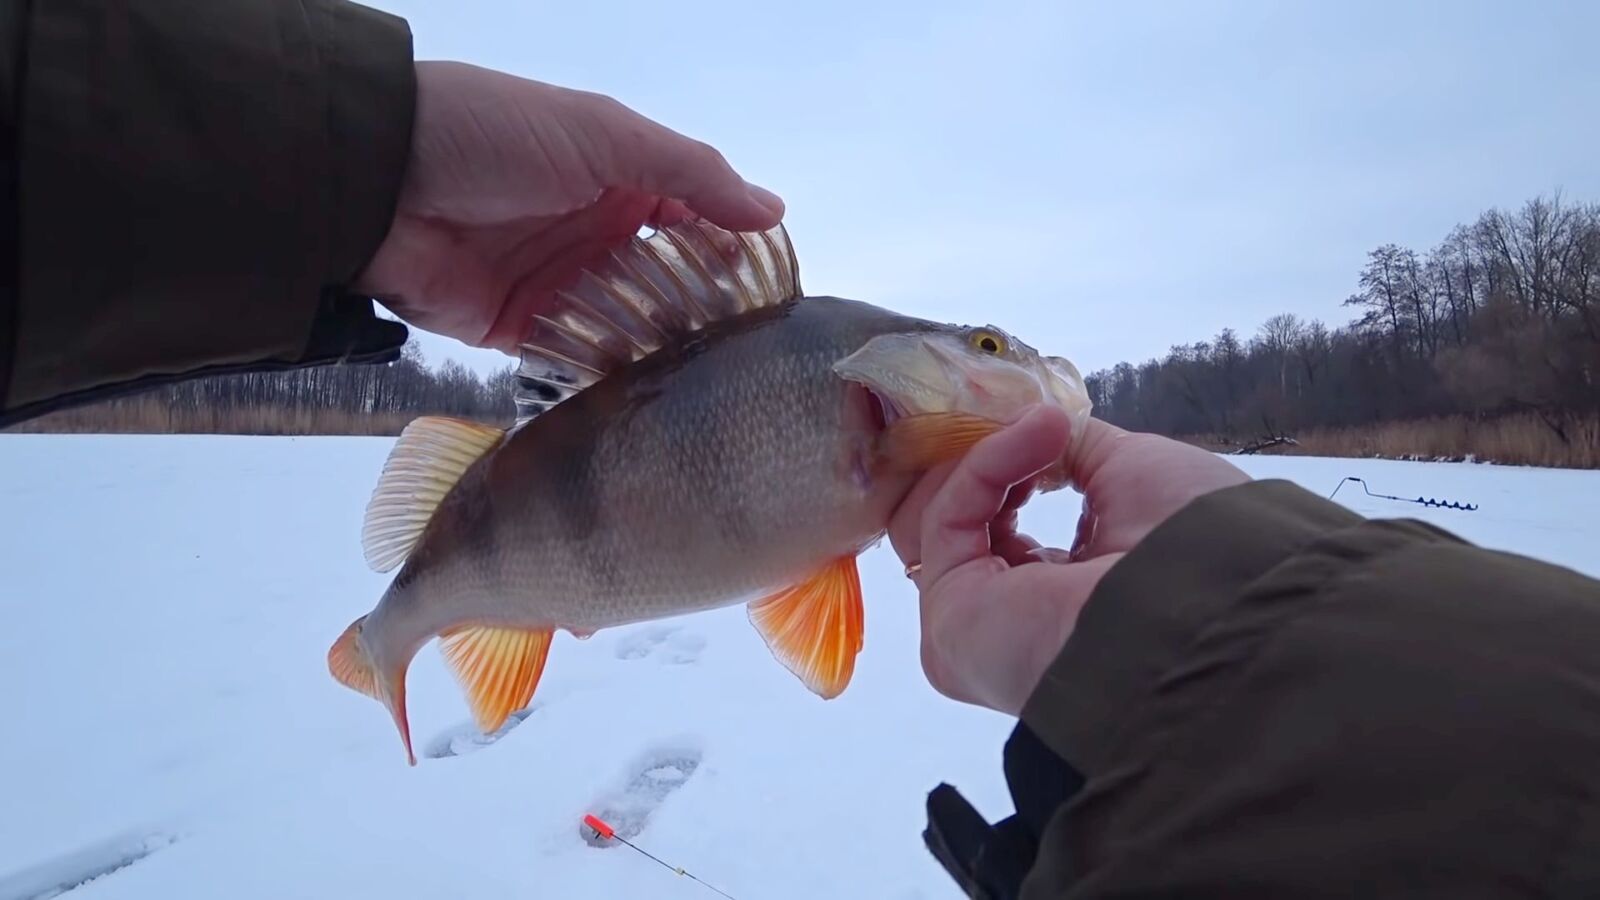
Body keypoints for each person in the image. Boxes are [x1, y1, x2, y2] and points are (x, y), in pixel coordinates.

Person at [5, 3, 1599, 898]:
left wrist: (358, 166)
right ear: (890, 378)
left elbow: (815, 620)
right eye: (980, 347)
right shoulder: (829, 371)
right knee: (467, 595)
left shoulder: (863, 473)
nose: (1007, 368)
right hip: (510, 553)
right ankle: (402, 640)